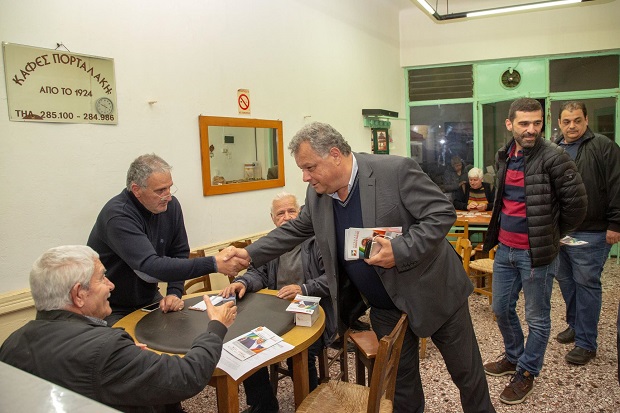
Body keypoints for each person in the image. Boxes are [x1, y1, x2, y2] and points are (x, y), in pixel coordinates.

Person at [225, 122, 495, 413]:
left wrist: (400, 250)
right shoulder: (317, 195)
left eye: (310, 167)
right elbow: (294, 230)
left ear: (334, 155)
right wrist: (249, 254)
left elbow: (441, 213)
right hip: (384, 307)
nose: (305, 177)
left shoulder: (395, 171)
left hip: (435, 293)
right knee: (401, 390)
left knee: (467, 378)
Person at [0, 245, 237, 413]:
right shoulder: (105, 349)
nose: (111, 285)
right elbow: (186, 376)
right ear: (78, 294)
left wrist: (128, 358)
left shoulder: (11, 344)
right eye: (102, 278)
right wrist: (216, 326)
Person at [482, 98, 587, 405]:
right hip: (505, 250)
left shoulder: (555, 157)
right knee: (501, 308)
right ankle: (514, 356)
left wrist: (550, 233)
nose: (531, 130)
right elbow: (504, 200)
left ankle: (527, 371)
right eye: (524, 123)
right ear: (510, 124)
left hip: (536, 254)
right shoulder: (504, 155)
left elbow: (577, 206)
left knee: (537, 319)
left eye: (537, 123)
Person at [87, 154, 248, 325]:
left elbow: (179, 252)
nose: (168, 196)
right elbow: (149, 268)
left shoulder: (170, 206)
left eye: (169, 188)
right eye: (160, 191)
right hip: (111, 305)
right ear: (136, 190)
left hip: (148, 298)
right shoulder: (118, 215)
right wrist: (214, 263)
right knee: (126, 342)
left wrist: (174, 292)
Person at [220, 192, 336, 413]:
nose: (287, 217)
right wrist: (242, 282)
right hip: (275, 314)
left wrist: (304, 288)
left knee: (299, 355)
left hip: (312, 313)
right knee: (246, 348)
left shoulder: (317, 241)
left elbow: (332, 279)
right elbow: (257, 273)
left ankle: (310, 405)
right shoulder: (271, 244)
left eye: (291, 211)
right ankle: (264, 405)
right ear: (273, 219)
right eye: (280, 213)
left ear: (301, 214)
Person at [552, 101, 620, 365]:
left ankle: (586, 343)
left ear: (586, 120)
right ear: (559, 123)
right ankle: (575, 325)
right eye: (567, 121)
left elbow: (617, 184)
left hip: (592, 232)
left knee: (586, 285)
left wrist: (616, 223)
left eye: (577, 120)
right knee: (566, 283)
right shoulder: (554, 148)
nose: (572, 126)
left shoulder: (603, 146)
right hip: (560, 232)